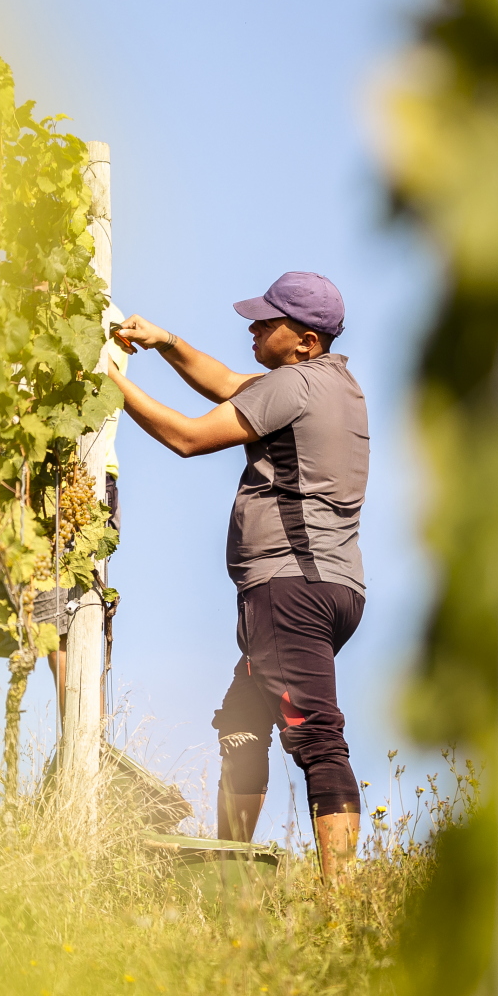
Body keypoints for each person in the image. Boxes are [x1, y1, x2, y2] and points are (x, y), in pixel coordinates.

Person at [104, 272, 367, 881]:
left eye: (266, 321)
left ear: (305, 341)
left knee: (317, 736)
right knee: (243, 721)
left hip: (290, 590)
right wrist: (165, 341)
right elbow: (225, 384)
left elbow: (190, 438)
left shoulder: (294, 386)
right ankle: (233, 878)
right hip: (329, 587)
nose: (252, 326)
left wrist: (110, 383)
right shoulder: (331, 384)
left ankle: (344, 901)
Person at [0, 303, 127, 785]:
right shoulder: (1, 306)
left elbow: (92, 402)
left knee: (65, 646)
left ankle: (84, 804)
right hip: (11, 492)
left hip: (66, 489)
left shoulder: (91, 306)